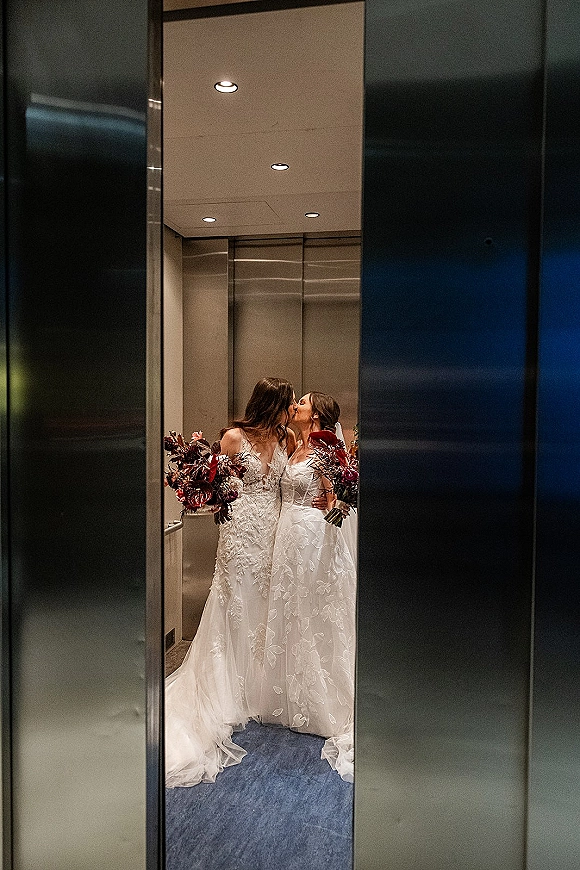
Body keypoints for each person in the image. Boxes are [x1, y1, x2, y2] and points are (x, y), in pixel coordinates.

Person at [165, 377, 296, 788]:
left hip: (273, 532)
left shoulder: (285, 437)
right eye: (288, 403)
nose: (292, 410)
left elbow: (284, 487)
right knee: (234, 603)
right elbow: (219, 488)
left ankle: (259, 688)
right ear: (271, 403)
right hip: (240, 533)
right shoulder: (234, 437)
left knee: (263, 608)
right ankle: (227, 689)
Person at [259, 392, 356, 782]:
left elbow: (340, 494)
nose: (295, 405)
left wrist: (335, 504)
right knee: (291, 609)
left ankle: (322, 696)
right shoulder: (296, 445)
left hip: (312, 535)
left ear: (315, 414)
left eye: (301, 402)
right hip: (287, 535)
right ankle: (288, 691)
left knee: (314, 609)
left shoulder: (326, 446)